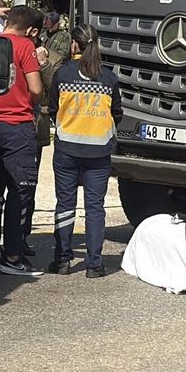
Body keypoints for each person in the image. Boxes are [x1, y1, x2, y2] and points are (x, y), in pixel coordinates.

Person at [0, 5, 46, 276]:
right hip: (16, 126)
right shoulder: (25, 46)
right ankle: (13, 255)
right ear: (32, 30)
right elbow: (37, 89)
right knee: (20, 189)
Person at [48, 24, 123, 278]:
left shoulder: (63, 74)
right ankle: (94, 264)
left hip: (67, 149)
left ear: (73, 45)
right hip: (98, 153)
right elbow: (117, 114)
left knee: (65, 205)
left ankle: (63, 260)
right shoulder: (109, 78)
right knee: (94, 208)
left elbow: (51, 108)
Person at [21, 33, 68, 254]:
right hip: (5, 123)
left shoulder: (54, 58)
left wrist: (44, 64)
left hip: (35, 126)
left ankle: (22, 236)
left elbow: (56, 90)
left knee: (28, 185)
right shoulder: (1, 48)